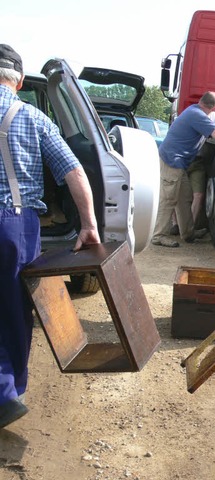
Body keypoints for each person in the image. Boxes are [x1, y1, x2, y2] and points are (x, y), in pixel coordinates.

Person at [0, 44, 100, 429]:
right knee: (12, 309)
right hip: (14, 224)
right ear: (20, 82)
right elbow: (75, 172)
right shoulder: (32, 116)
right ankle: (7, 394)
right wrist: (89, 225)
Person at [152, 91, 215, 247]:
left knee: (185, 198)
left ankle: (188, 233)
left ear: (201, 100)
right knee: (169, 199)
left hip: (178, 162)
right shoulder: (196, 114)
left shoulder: (196, 111)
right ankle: (158, 236)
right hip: (172, 161)